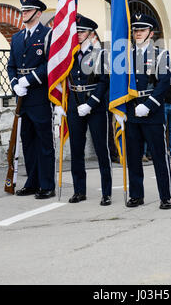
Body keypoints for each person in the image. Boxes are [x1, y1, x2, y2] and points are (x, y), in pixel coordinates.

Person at [55, 14, 112, 205]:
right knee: (76, 150)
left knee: (101, 149)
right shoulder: (70, 55)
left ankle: (106, 192)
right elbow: (63, 79)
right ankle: (80, 190)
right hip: (74, 104)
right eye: (76, 32)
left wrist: (91, 104)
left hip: (94, 106)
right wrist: (60, 103)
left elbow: (104, 82)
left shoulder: (100, 54)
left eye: (82, 32)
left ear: (90, 33)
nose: (78, 35)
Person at [7, 0, 55, 199]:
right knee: (28, 142)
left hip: (39, 95)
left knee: (44, 142)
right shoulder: (17, 38)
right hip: (23, 98)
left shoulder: (47, 35)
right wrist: (15, 84)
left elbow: (49, 64)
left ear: (38, 13)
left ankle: (47, 185)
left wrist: (29, 80)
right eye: (23, 10)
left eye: (28, 11)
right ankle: (32, 182)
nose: (23, 13)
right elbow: (11, 66)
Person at [124, 13, 171, 210]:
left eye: (142, 30)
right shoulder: (125, 56)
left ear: (150, 33)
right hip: (131, 111)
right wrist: (120, 111)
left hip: (152, 111)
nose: (137, 33)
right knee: (133, 157)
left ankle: (165, 196)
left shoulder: (160, 54)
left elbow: (163, 83)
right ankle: (136, 195)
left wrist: (149, 105)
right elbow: (119, 85)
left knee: (159, 156)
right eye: (135, 30)